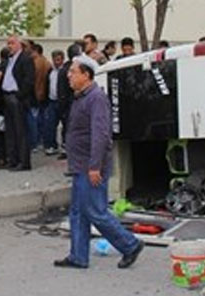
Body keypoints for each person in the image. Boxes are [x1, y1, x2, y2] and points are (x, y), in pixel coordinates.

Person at [54, 55, 144, 269]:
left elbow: (101, 135)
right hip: (81, 166)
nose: (68, 75)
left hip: (90, 167)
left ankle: (130, 244)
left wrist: (95, 166)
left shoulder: (96, 98)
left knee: (95, 211)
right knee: (77, 212)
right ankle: (78, 256)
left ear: (86, 75)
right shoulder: (80, 97)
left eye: (73, 72)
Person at [0, 35, 35, 171]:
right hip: (7, 96)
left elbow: (29, 80)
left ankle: (23, 161)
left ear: (19, 44)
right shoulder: (9, 59)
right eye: (8, 43)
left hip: (17, 97)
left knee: (20, 131)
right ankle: (12, 159)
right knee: (10, 131)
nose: (10, 46)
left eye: (12, 43)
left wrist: (20, 95)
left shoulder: (25, 59)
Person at [57, 43, 82, 157]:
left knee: (68, 129)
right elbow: (62, 90)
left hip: (67, 104)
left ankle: (66, 148)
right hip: (70, 104)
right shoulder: (73, 69)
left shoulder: (64, 68)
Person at [29, 43, 52, 152]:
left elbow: (32, 80)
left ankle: (34, 142)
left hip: (35, 93)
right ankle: (42, 140)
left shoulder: (34, 63)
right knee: (43, 118)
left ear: (36, 51)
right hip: (45, 94)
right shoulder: (47, 63)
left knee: (34, 119)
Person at [44, 50, 64, 156]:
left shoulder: (64, 71)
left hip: (61, 101)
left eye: (58, 60)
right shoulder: (50, 71)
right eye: (55, 60)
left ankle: (64, 146)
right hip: (51, 101)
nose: (56, 62)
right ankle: (52, 145)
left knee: (65, 125)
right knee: (50, 124)